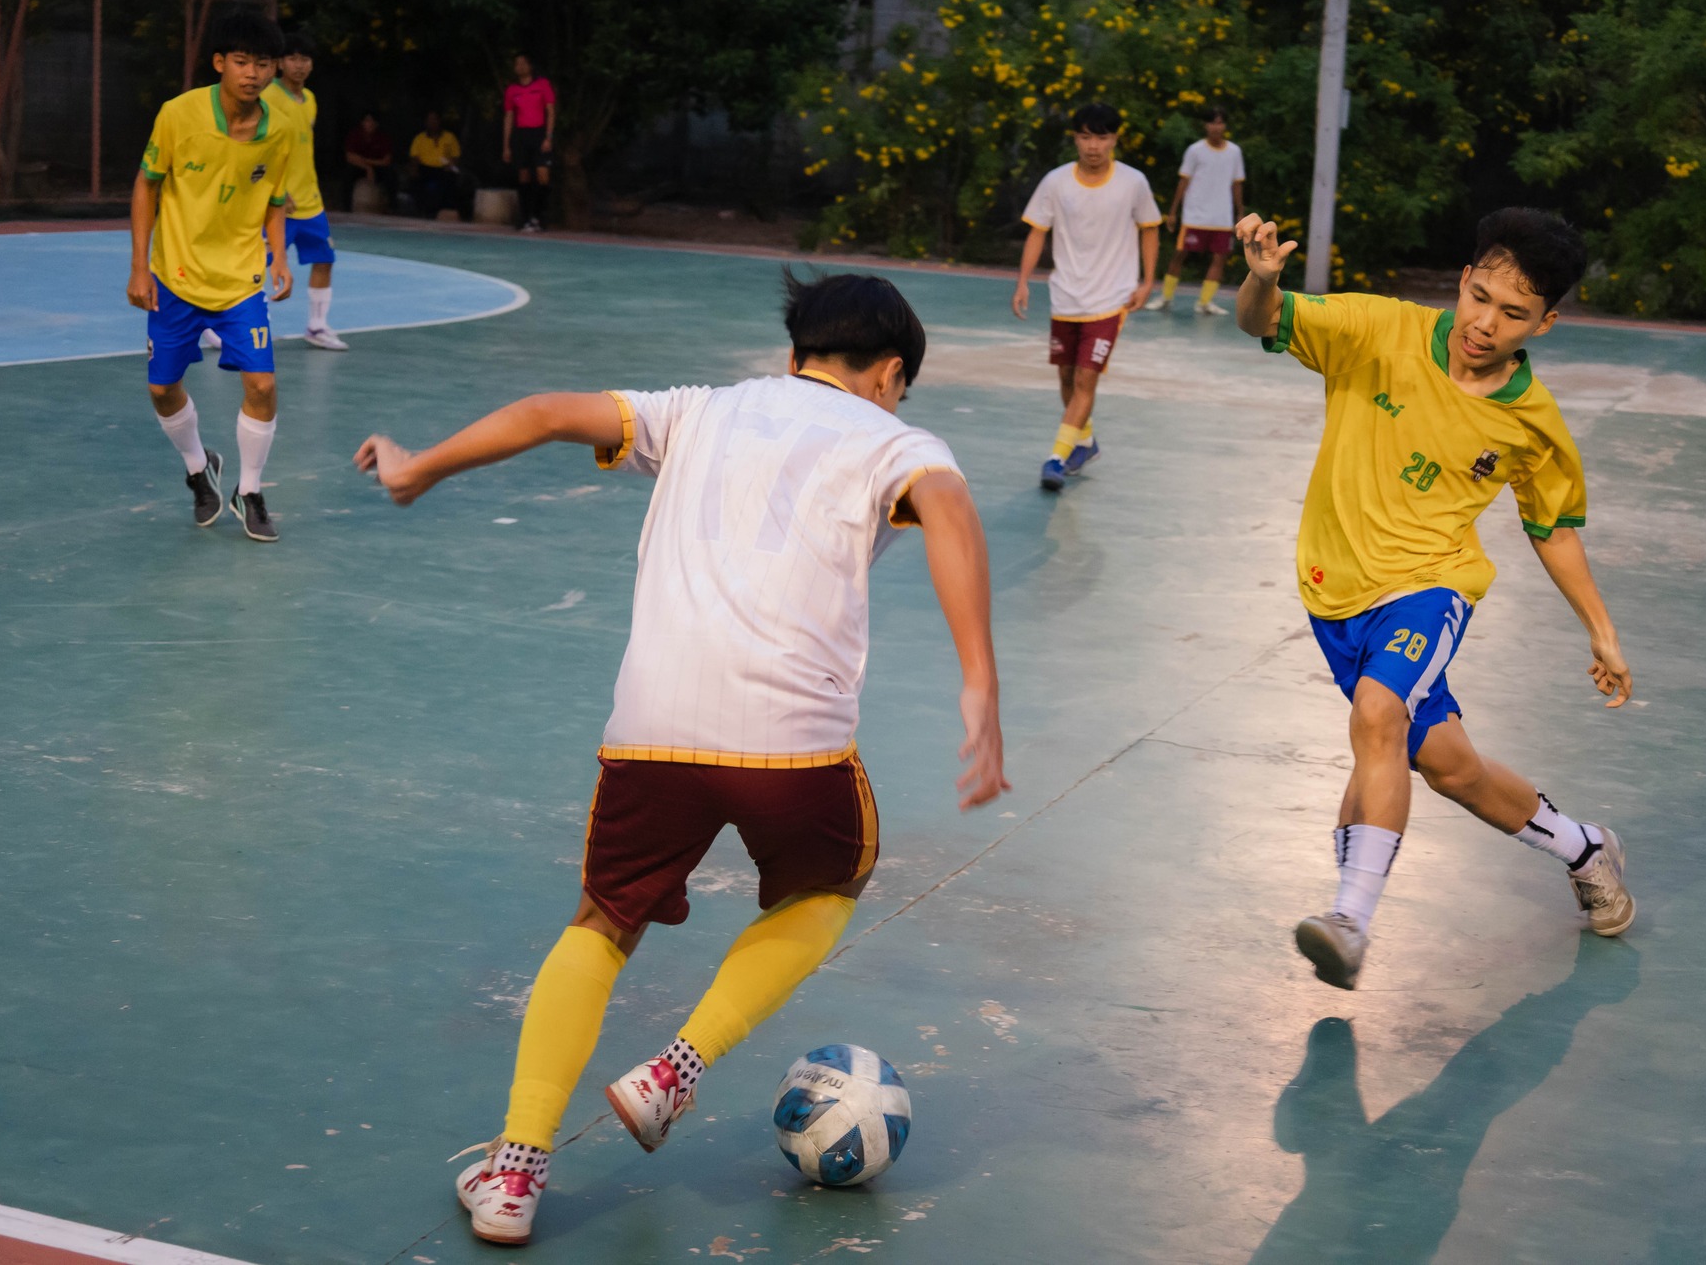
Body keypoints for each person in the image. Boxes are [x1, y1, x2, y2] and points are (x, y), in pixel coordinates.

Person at [354, 270, 1008, 1247]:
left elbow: (541, 412)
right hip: (791, 739)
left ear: (793, 355)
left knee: (602, 922)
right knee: (831, 882)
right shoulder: (897, 441)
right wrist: (980, 682)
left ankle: (515, 1173)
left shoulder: (695, 411)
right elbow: (948, 509)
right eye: (897, 386)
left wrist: (416, 470)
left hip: (650, 724)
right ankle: (676, 1070)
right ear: (884, 376)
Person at [1232, 206, 1636, 991]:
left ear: (1545, 323)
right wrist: (1258, 278)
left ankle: (1350, 919)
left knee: (1377, 716)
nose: (1484, 323)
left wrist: (1602, 631)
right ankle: (1585, 848)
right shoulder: (1375, 331)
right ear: (1463, 280)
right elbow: (1264, 319)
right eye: (1479, 296)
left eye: (1512, 313)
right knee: (1449, 766)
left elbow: (1551, 528)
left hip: (1430, 585)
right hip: (1333, 589)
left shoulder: (1532, 423)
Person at [127, 11, 292, 544]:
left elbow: (273, 200)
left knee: (263, 385)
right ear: (220, 62)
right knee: (162, 388)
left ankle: (250, 490)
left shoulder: (281, 130)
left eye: (263, 63)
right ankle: (200, 470)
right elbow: (147, 185)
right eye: (241, 61)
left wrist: (280, 257)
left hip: (241, 279)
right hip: (174, 276)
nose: (252, 73)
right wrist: (139, 265)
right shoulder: (179, 115)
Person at [1011, 103, 1160, 492]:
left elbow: (1150, 228)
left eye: (1102, 137)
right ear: (1075, 139)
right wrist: (1023, 281)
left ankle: (1056, 458)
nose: (1094, 145)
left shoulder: (1133, 183)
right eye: (1086, 136)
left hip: (1112, 298)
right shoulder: (1056, 182)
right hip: (1066, 296)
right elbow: (1037, 231)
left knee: (1085, 378)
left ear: (1115, 139)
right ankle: (1086, 442)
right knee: (1066, 377)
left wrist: (1147, 281)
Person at [262, 32, 348, 350]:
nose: (299, 65)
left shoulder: (309, 99)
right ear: (281, 63)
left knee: (324, 259)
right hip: (277, 201)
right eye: (293, 58)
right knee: (254, 266)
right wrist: (276, 191)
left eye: (305, 59)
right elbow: (262, 148)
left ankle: (316, 326)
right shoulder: (268, 96)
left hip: (310, 201)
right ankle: (231, 326)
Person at [1147, 105, 1244, 315]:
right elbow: (1183, 181)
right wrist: (1173, 212)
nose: (1216, 127)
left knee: (1220, 258)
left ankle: (1205, 302)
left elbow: (1237, 184)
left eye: (1220, 122)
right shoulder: (1195, 150)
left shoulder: (1234, 152)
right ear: (1205, 125)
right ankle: (1165, 297)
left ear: (1225, 125)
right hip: (1194, 215)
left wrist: (1240, 213)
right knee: (1179, 254)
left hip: (1222, 217)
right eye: (1212, 122)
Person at [500, 53, 556, 232]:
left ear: (531, 66)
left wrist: (548, 137)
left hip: (539, 133)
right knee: (523, 175)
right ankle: (525, 216)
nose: (520, 67)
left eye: (524, 63)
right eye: (517, 64)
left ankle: (539, 216)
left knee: (542, 175)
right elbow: (509, 117)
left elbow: (550, 111)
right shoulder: (512, 90)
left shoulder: (542, 85)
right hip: (521, 135)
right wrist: (506, 145)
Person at [408, 111, 465, 217]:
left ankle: (444, 210)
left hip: (443, 169)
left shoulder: (450, 137)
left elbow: (456, 157)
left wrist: (452, 165)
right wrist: (414, 169)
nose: (432, 122)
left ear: (440, 121)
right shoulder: (419, 138)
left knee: (450, 179)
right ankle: (420, 210)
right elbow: (414, 158)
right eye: (430, 120)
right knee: (415, 179)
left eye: (435, 119)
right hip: (425, 168)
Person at [344, 111, 395, 195]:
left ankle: (392, 204)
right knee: (348, 173)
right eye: (367, 121)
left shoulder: (383, 137)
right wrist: (367, 168)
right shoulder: (355, 135)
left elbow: (386, 161)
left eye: (372, 121)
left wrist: (366, 161)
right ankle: (347, 206)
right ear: (362, 123)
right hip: (360, 166)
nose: (369, 124)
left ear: (376, 124)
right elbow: (349, 157)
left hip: (377, 166)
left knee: (391, 174)